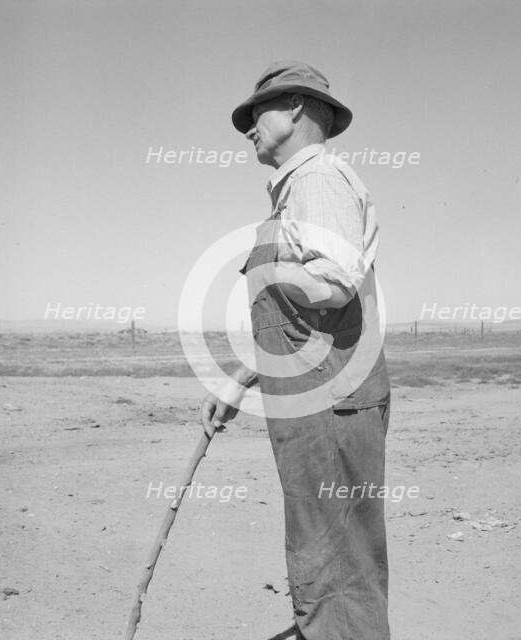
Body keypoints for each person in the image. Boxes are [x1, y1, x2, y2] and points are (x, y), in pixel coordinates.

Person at [200, 61, 391, 640]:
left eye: (258, 113)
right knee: (323, 557)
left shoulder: (317, 179)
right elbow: (300, 329)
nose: (249, 128)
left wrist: (272, 273)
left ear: (300, 109)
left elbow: (332, 286)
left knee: (337, 568)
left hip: (331, 405)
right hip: (314, 404)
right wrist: (238, 381)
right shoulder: (294, 192)